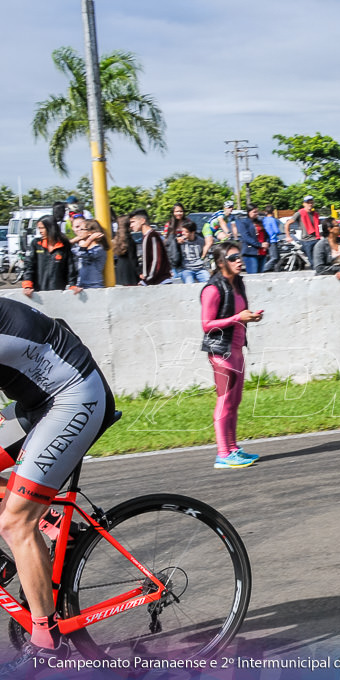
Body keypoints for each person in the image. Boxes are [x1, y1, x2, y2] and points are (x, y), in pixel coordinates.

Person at [0, 299, 118, 672]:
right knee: (25, 519)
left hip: (74, 399)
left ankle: (46, 639)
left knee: (16, 523)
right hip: (41, 400)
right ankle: (54, 524)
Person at [201, 242, 263, 469]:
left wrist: (251, 317)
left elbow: (238, 314)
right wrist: (238, 318)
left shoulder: (238, 283)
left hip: (237, 349)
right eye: (233, 257)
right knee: (225, 400)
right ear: (220, 263)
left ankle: (233, 448)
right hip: (220, 351)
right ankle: (222, 454)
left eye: (240, 256)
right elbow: (207, 325)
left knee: (235, 400)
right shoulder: (212, 289)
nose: (239, 260)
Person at [22, 203, 78, 296]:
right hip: (38, 292)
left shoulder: (64, 245)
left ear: (50, 228)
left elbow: (70, 267)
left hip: (58, 292)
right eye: (39, 228)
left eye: (42, 228)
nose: (40, 231)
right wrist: (27, 285)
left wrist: (73, 285)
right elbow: (29, 265)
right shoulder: (36, 244)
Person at [134, 209, 172, 286]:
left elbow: (156, 261)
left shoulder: (152, 236)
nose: (131, 225)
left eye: (133, 222)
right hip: (155, 282)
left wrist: (146, 280)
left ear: (142, 221)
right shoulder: (147, 236)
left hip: (160, 282)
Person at [69, 219, 109, 289]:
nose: (79, 231)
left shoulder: (99, 248)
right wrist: (75, 240)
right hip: (81, 286)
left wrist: (89, 240)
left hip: (94, 287)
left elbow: (81, 253)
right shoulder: (80, 245)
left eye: (81, 229)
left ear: (89, 232)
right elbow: (67, 248)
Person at [235, 205, 265, 274]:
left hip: (262, 252)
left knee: (261, 275)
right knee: (253, 274)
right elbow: (246, 237)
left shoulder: (260, 222)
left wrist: (267, 243)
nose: (256, 214)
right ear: (249, 212)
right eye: (254, 212)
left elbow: (265, 234)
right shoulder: (244, 222)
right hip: (250, 252)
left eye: (257, 212)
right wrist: (259, 244)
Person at [164, 203, 189, 281]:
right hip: (174, 254)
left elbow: (192, 234)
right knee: (176, 279)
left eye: (181, 211)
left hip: (186, 254)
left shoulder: (187, 222)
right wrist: (175, 239)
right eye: (177, 211)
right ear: (173, 212)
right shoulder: (169, 224)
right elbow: (166, 239)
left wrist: (183, 237)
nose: (179, 213)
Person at [112, 215, 139, 286]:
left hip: (119, 273)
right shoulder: (129, 240)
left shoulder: (117, 240)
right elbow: (133, 259)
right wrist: (139, 272)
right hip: (130, 274)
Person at [294, 196, 321, 263]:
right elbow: (288, 223)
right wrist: (288, 236)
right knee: (312, 261)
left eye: (311, 202)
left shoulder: (315, 214)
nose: (310, 204)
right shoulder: (299, 213)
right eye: (308, 203)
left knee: (319, 260)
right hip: (306, 241)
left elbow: (319, 226)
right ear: (304, 204)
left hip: (316, 239)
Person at [261, 205, 285, 272]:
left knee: (276, 257)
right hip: (273, 240)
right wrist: (280, 232)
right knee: (274, 257)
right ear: (273, 211)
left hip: (266, 240)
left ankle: (277, 270)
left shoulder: (264, 220)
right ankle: (263, 269)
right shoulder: (272, 220)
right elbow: (276, 230)